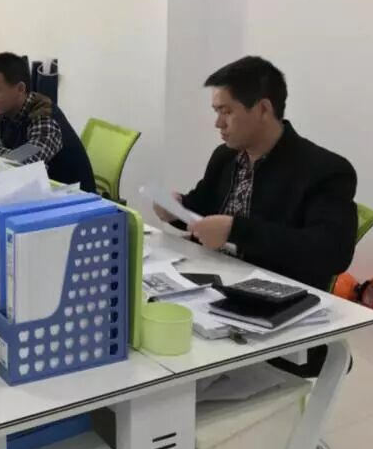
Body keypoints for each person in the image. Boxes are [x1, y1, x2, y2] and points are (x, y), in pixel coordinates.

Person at [153, 56, 357, 292]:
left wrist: (236, 230)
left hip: (275, 295)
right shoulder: (226, 156)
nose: (218, 123)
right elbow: (202, 210)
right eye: (216, 112)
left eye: (226, 111)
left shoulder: (324, 169)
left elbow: (332, 251)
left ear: (263, 109)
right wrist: (176, 209)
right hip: (212, 280)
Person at [0, 52, 95, 190]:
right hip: (35, 191)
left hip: (72, 198)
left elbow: (22, 164)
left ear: (20, 88)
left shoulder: (45, 119)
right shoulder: (6, 113)